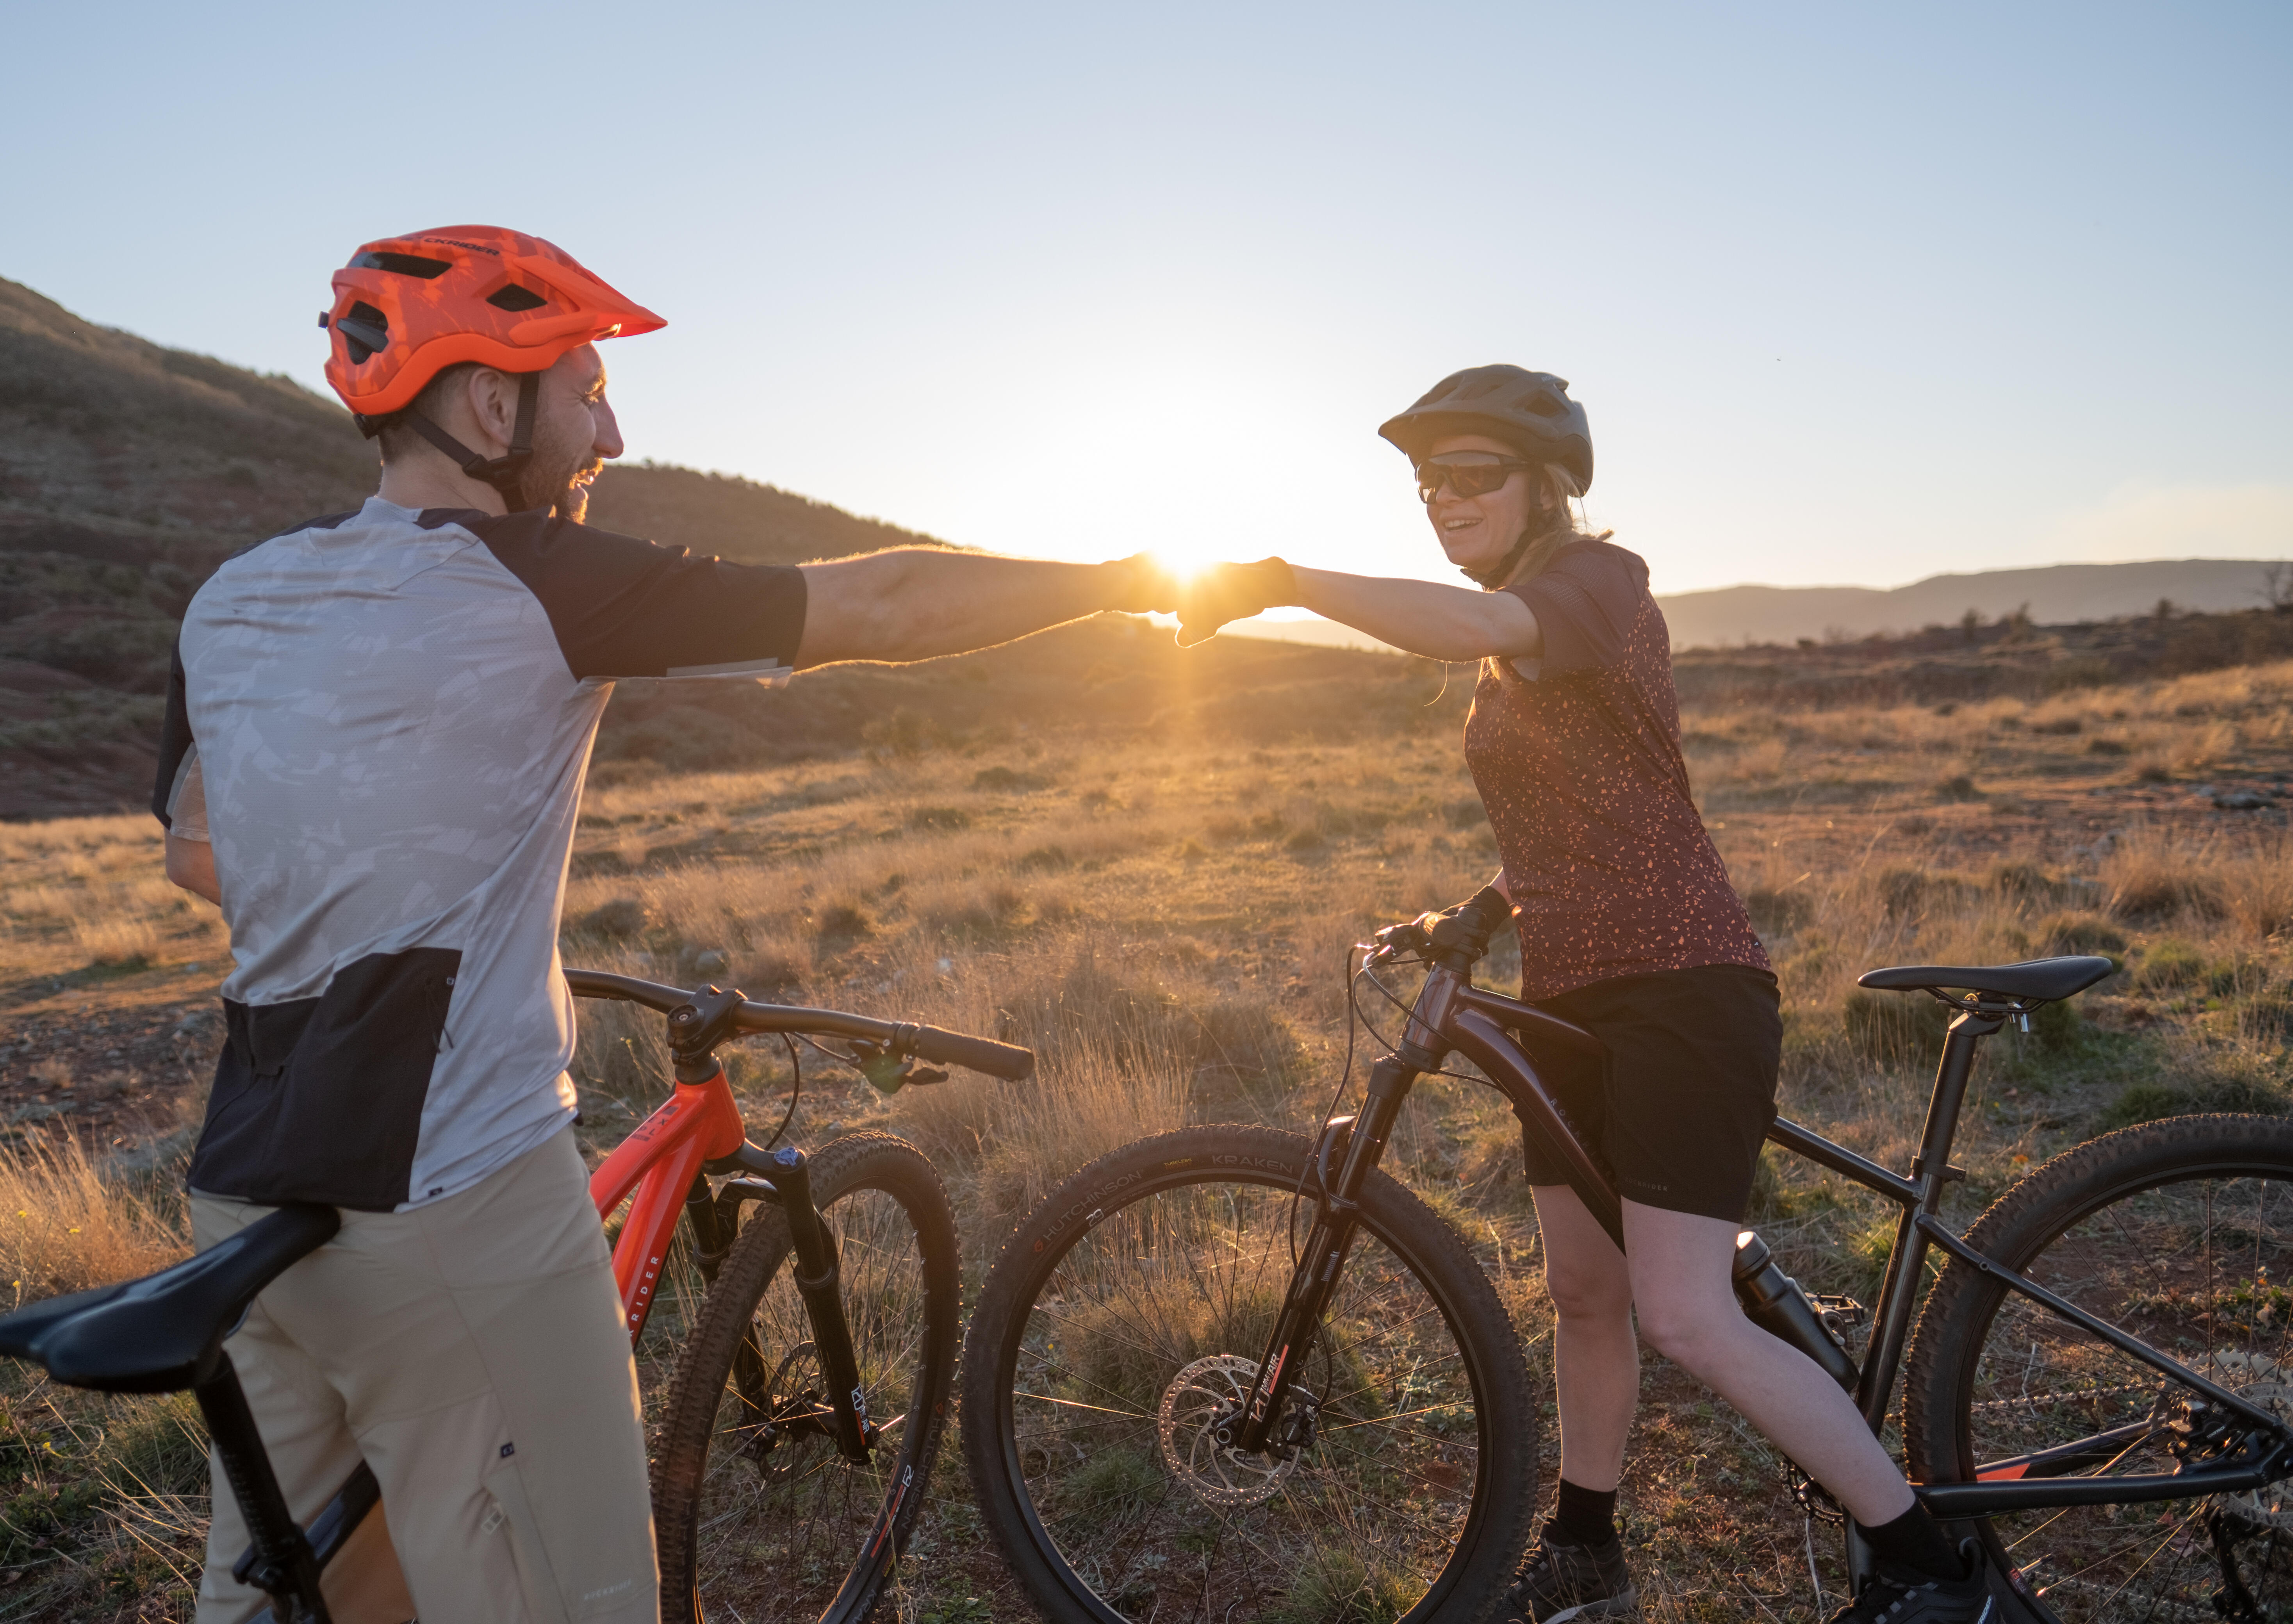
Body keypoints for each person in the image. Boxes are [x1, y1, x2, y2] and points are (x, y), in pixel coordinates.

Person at [155, 224, 1173, 1623]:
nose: (612, 432)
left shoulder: (232, 602)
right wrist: (1131, 581)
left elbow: (202, 860)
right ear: (490, 404)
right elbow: (886, 601)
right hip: (449, 1189)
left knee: (299, 1593)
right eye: (585, 390)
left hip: (243, 1185)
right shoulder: (534, 578)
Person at [1173, 367, 2002, 1624]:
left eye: (1471, 475)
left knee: (1682, 1310)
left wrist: (1282, 581)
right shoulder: (1521, 631)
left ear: (1545, 483)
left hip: (1683, 989)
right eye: (1424, 482)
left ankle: (1927, 1569)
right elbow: (1577, 822)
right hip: (1570, 1001)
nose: (1442, 500)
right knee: (1583, 1291)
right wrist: (1480, 913)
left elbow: (1475, 639)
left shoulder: (1596, 586)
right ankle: (1588, 1546)